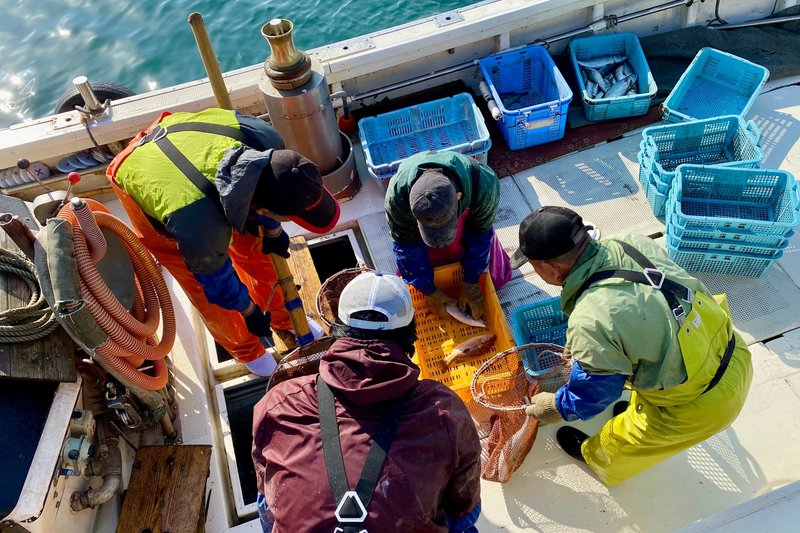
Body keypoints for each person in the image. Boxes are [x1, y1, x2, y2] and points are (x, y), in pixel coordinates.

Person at [511, 206, 753, 486]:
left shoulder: (590, 321)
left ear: (551, 269)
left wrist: (556, 407)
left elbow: (593, 396)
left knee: (620, 447)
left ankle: (594, 458)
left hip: (700, 407)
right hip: (730, 350)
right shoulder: (629, 242)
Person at [106, 108, 339, 376]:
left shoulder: (266, 139)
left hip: (189, 140)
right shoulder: (196, 225)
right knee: (205, 290)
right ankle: (246, 349)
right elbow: (215, 283)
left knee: (258, 250)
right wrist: (249, 310)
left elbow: (269, 185)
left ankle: (283, 317)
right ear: (261, 208)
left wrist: (273, 232)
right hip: (146, 174)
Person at [251, 271, 482, 532]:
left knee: (267, 500)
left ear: (337, 330)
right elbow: (464, 507)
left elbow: (265, 489)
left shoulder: (279, 402)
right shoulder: (443, 409)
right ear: (409, 338)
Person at [385, 151, 512, 320]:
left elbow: (480, 233)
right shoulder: (396, 198)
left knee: (488, 270)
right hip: (415, 218)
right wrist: (429, 290)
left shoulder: (484, 183)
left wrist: (472, 283)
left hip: (470, 215)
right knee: (417, 269)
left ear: (459, 196)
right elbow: (406, 246)